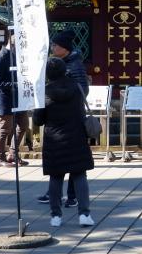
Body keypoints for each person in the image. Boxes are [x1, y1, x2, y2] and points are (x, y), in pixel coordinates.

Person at [33, 57, 95, 228]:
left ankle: (55, 216)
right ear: (64, 70)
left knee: (56, 176)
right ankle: (84, 214)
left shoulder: (44, 92)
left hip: (55, 138)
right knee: (80, 175)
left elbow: (38, 120)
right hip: (76, 136)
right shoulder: (76, 87)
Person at [37, 30, 89, 206]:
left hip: (73, 116)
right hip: (62, 118)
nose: (52, 47)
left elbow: (83, 90)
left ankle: (72, 196)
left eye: (55, 45)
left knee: (74, 162)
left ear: (65, 48)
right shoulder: (60, 63)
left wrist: (65, 98)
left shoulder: (75, 65)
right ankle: (54, 193)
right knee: (64, 161)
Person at [0, 35, 29, 167]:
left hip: (19, 98)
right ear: (13, 45)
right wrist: (15, 84)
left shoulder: (17, 57)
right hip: (5, 99)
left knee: (23, 125)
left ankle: (12, 153)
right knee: (5, 128)